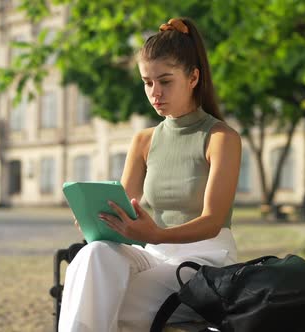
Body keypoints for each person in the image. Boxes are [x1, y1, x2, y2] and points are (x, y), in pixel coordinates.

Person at [58, 17, 242, 332]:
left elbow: (213, 221)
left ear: (193, 77)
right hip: (152, 254)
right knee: (95, 253)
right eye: (147, 82)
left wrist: (155, 234)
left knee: (99, 301)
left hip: (204, 262)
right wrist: (98, 220)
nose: (155, 92)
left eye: (165, 81)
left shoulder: (220, 138)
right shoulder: (144, 140)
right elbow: (124, 207)